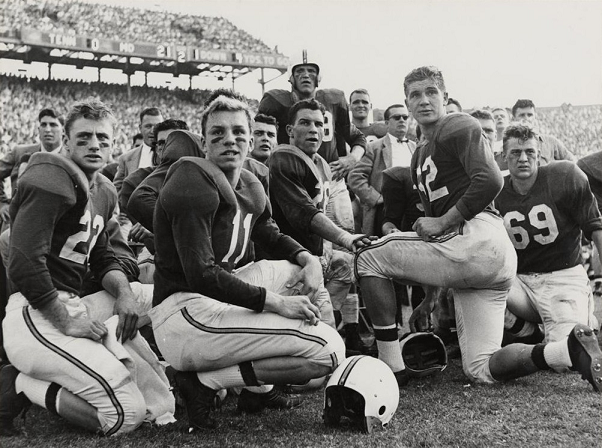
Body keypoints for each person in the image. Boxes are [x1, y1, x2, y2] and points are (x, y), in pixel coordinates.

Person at [354, 66, 602, 392]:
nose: (424, 100)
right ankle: (563, 349)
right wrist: (430, 297)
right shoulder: (419, 158)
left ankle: (392, 366)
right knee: (480, 369)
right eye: (416, 94)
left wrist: (443, 221)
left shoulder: (457, 124)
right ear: (406, 102)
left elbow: (490, 179)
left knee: (368, 256)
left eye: (431, 92)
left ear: (445, 97)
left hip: (480, 235)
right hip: (482, 261)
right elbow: (435, 241)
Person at [149, 95, 345, 432]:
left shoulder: (252, 176)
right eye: (218, 134)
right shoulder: (191, 178)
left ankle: (255, 392)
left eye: (239, 132)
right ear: (204, 142)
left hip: (216, 298)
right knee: (328, 351)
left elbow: (266, 231)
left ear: (251, 140)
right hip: (183, 312)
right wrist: (277, 304)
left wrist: (307, 256)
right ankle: (206, 381)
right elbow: (202, 275)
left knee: (297, 270)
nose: (230, 140)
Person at [0, 98, 174, 437]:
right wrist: (65, 321)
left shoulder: (104, 188)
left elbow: (103, 256)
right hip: (37, 312)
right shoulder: (49, 179)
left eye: (102, 138)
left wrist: (123, 294)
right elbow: (23, 263)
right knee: (126, 416)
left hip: (75, 304)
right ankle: (22, 382)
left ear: (113, 144)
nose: (95, 145)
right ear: (66, 142)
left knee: (169, 295)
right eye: (84, 138)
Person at [269, 98, 375, 354]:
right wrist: (345, 238)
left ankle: (308, 322)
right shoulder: (283, 157)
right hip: (286, 261)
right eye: (305, 123)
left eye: (319, 124)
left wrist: (328, 249)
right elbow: (304, 214)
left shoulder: (321, 163)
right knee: (325, 352)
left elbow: (320, 210)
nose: (314, 129)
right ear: (290, 130)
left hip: (312, 259)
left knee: (346, 267)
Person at [495, 124, 601, 343]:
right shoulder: (494, 190)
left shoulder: (564, 175)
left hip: (563, 278)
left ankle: (582, 317)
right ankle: (530, 333)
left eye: (530, 152)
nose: (523, 158)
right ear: (504, 156)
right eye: (515, 152)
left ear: (539, 154)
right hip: (520, 281)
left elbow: (595, 227)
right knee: (481, 287)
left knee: (566, 354)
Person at [258, 56, 367, 234]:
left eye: (311, 71)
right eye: (300, 71)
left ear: (319, 77)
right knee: (297, 235)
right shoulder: (275, 101)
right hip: (292, 179)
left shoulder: (334, 100)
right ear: (290, 78)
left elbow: (357, 138)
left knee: (344, 238)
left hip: (331, 180)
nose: (306, 75)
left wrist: (352, 159)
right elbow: (260, 132)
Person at [349, 103, 416, 236]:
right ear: (387, 122)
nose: (402, 120)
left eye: (405, 117)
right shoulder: (374, 147)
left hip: (413, 210)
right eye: (397, 117)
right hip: (385, 211)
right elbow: (355, 177)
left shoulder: (416, 147)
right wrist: (377, 198)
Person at [0, 108, 64, 226]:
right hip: (15, 222)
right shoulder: (19, 152)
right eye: (43, 125)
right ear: (38, 130)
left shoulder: (70, 159)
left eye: (53, 125)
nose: (48, 129)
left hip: (53, 227)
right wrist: (2, 204)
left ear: (63, 131)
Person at [113, 107, 164, 194]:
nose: (152, 131)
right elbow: (116, 190)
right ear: (140, 128)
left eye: (157, 126)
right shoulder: (126, 158)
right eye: (148, 126)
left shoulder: (171, 155)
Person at [510, 99, 575, 165]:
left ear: (535, 117)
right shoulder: (508, 144)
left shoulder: (551, 142)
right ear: (513, 119)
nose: (527, 118)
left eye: (530, 115)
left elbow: (573, 163)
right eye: (522, 115)